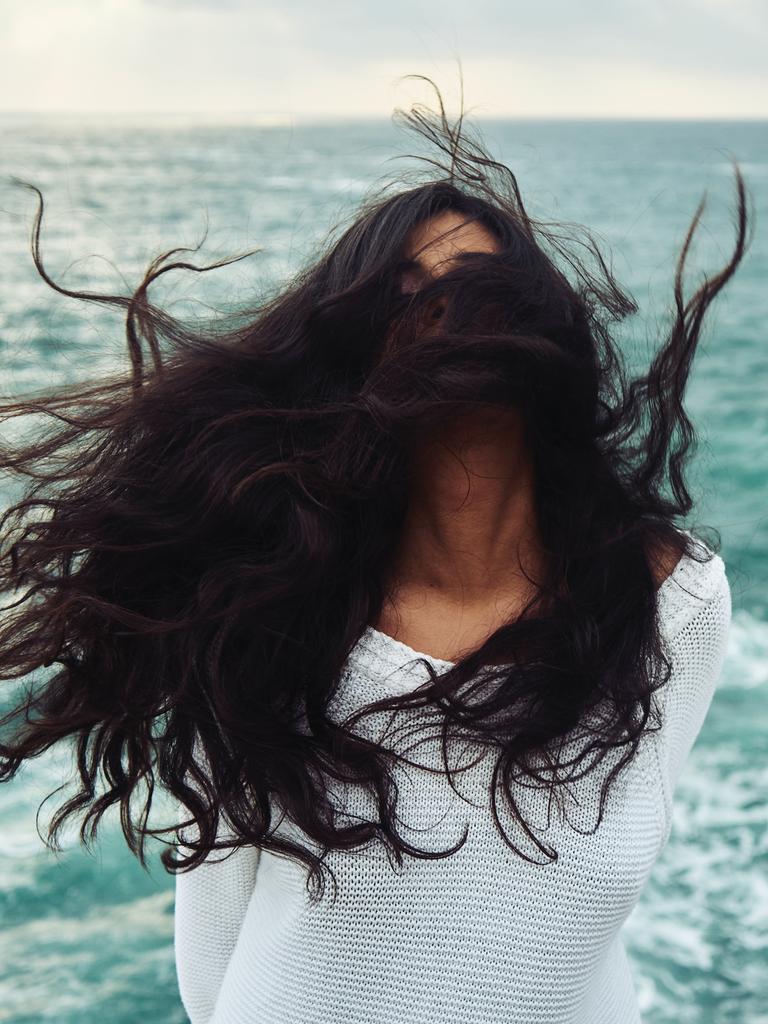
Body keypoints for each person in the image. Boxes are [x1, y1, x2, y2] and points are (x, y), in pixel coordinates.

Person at [0, 78, 747, 1023]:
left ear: (543, 324)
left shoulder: (673, 604)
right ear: (353, 352)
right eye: (403, 295)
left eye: (475, 285)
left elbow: (581, 919)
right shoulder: (273, 605)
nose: (444, 311)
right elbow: (216, 943)